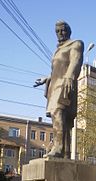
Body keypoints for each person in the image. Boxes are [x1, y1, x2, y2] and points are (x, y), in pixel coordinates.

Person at [34, 20, 84, 158]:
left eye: (62, 30)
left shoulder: (76, 44)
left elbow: (76, 61)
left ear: (68, 31)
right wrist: (46, 79)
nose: (60, 33)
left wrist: (69, 77)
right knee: (62, 120)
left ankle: (58, 148)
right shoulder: (57, 50)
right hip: (55, 85)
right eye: (57, 31)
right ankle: (65, 153)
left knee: (58, 112)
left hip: (66, 84)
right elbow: (56, 71)